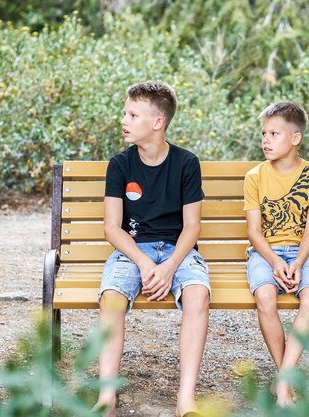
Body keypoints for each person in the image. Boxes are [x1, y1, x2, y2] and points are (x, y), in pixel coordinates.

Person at [94, 81, 210, 417]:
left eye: (133, 114)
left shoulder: (187, 163)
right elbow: (112, 228)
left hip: (178, 251)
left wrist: (170, 266)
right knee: (112, 297)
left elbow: (192, 227)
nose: (124, 119)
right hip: (133, 250)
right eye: (125, 112)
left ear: (157, 122)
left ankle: (185, 398)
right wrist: (145, 264)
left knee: (198, 295)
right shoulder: (120, 165)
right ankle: (106, 397)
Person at [243, 101, 309, 406]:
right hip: (264, 253)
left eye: (274, 134)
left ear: (295, 138)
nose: (265, 140)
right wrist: (277, 262)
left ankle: (282, 383)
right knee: (265, 296)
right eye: (264, 133)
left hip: (303, 252)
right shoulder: (254, 176)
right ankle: (286, 383)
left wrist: (299, 263)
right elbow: (254, 231)